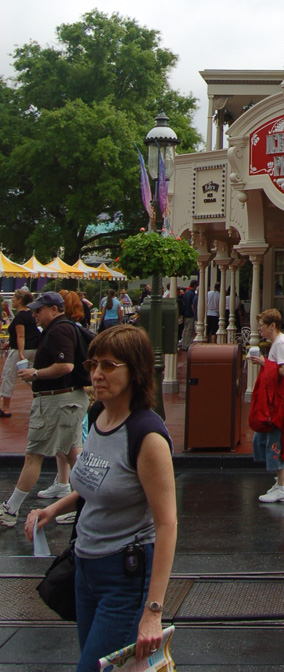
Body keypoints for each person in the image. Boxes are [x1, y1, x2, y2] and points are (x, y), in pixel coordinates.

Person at [24, 324, 177, 672]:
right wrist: (55, 507)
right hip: (85, 568)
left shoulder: (147, 436)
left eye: (109, 366)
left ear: (135, 371)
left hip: (124, 576)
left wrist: (153, 611)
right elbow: (96, 480)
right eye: (93, 365)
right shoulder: (98, 415)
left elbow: (167, 524)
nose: (96, 374)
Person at [0, 292, 90, 527]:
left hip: (57, 401)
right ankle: (90, 503)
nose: (35, 314)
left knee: (34, 455)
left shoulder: (59, 330)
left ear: (53, 309)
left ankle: (11, 510)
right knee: (73, 454)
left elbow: (65, 365)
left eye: (39, 310)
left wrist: (36, 373)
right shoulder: (63, 327)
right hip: (66, 400)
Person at [249, 309, 284, 502]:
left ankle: (282, 487)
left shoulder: (281, 343)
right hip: (280, 394)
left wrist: (264, 362)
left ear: (272, 326)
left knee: (274, 436)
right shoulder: (277, 343)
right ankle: (282, 477)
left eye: (261, 325)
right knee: (262, 438)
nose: (259, 329)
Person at [0, 288, 38, 417]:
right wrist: (10, 343)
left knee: (8, 375)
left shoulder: (20, 317)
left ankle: (5, 407)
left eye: (14, 298)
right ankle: (42, 392)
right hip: (34, 348)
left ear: (20, 300)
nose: (12, 300)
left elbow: (21, 336)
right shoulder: (31, 314)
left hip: (21, 350)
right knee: (29, 375)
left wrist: (20, 353)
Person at [180, 280, 198, 348]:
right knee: (190, 330)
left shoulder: (186, 293)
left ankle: (184, 344)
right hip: (190, 314)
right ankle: (187, 344)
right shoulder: (193, 294)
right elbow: (192, 305)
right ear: (194, 285)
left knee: (185, 329)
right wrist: (194, 313)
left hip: (185, 313)